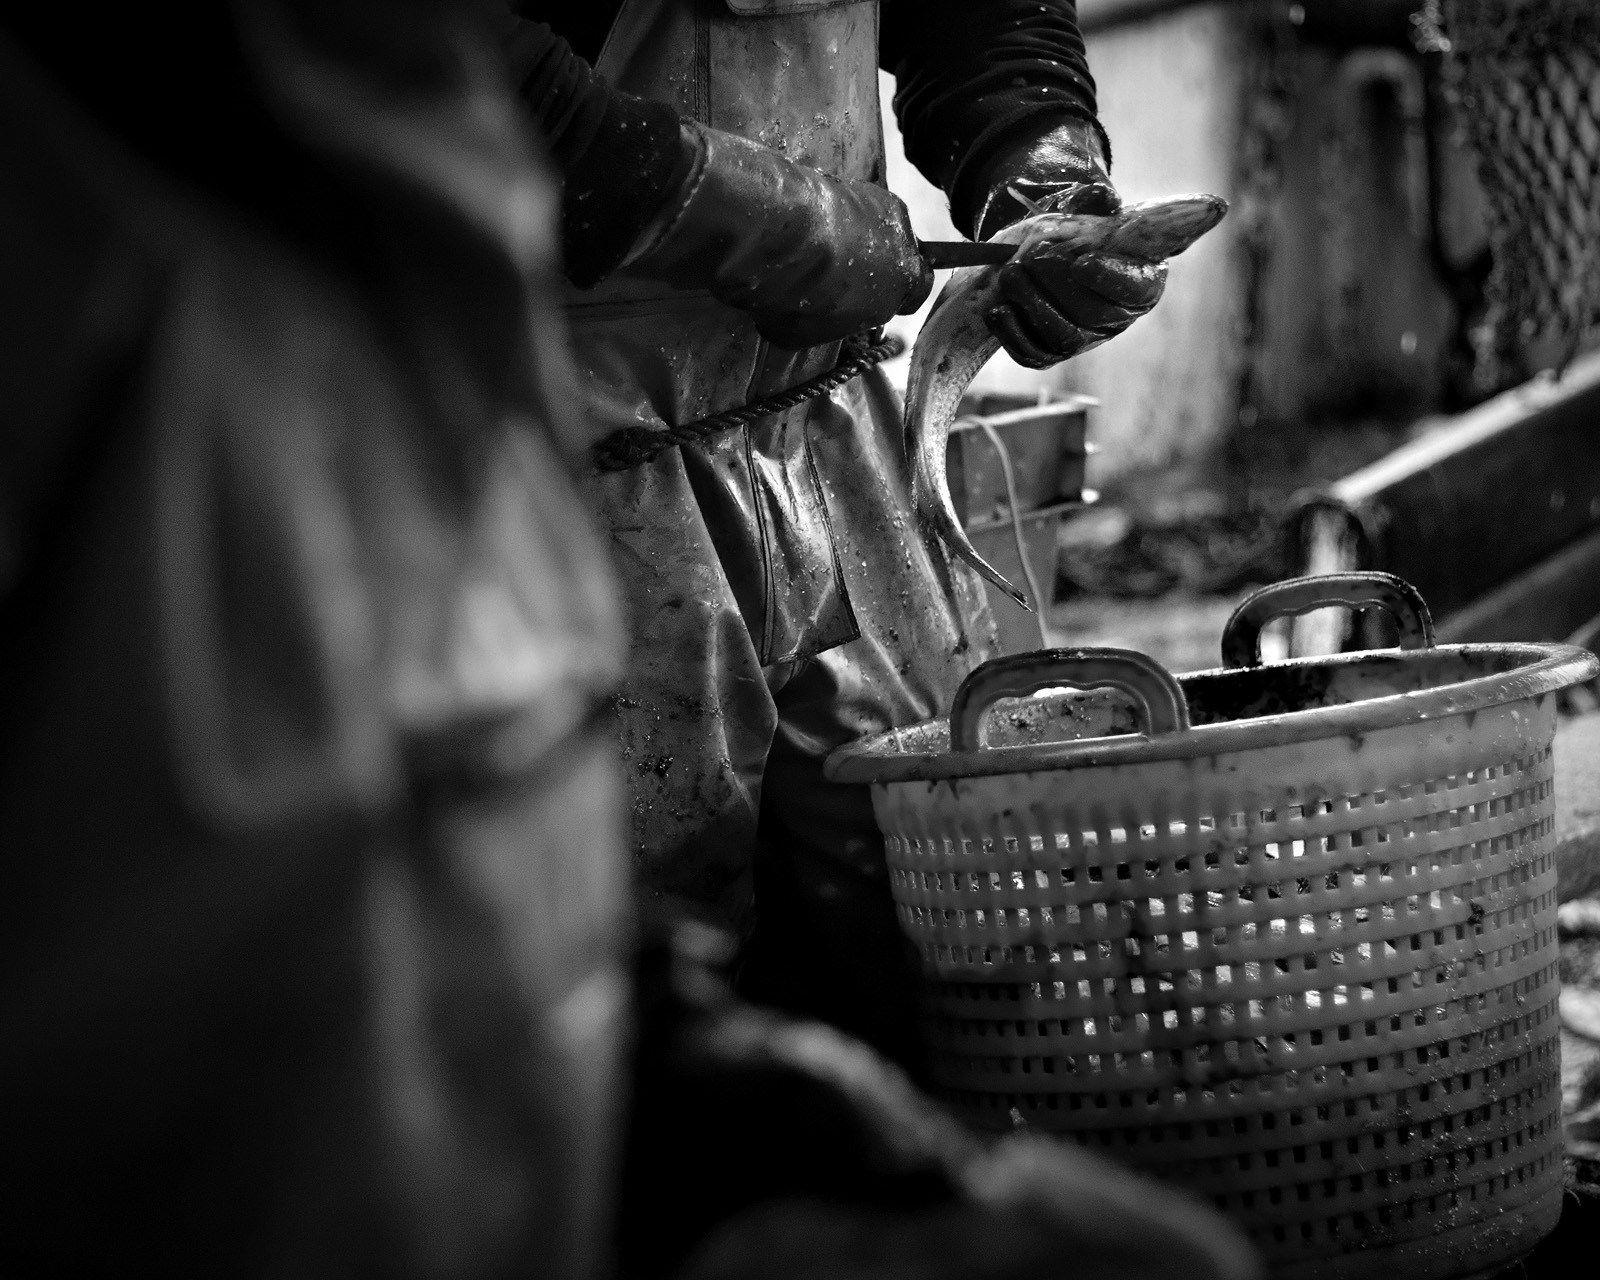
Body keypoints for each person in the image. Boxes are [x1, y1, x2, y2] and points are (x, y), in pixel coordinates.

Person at [496, 2, 1171, 1066]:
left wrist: (1039, 156)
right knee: (625, 1005)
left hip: (831, 435)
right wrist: (731, 212)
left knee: (938, 929)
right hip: (547, 466)